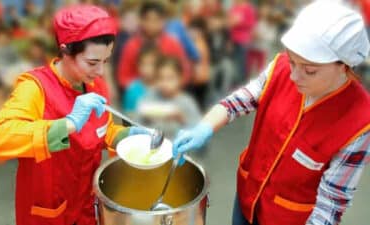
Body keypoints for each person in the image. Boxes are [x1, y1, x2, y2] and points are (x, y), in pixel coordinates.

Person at [172, 1, 370, 225]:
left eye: (310, 71)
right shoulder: (283, 66)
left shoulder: (359, 123)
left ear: (344, 66)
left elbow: (330, 205)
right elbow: (243, 99)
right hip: (248, 198)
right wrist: (205, 126)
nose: (294, 76)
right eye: (292, 61)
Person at [0, 5, 149, 225]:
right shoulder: (35, 88)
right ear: (65, 51)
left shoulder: (95, 85)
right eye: (92, 62)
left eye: (105, 61)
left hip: (86, 209)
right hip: (48, 213)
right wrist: (67, 125)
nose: (100, 72)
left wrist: (121, 137)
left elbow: (100, 130)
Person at [117, 1, 190, 91]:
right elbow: (123, 77)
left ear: (163, 21)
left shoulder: (172, 44)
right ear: (140, 20)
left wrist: (167, 86)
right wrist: (141, 88)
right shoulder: (131, 46)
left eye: (156, 20)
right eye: (147, 19)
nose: (151, 24)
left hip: (169, 94)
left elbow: (185, 72)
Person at [137, 56, 201, 139]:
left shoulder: (186, 102)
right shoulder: (150, 96)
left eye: (170, 78)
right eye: (161, 78)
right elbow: (137, 122)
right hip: (151, 143)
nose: (165, 83)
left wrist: (181, 119)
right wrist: (145, 118)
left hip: (176, 147)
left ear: (180, 78)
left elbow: (198, 134)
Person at [122, 43, 160, 114]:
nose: (147, 69)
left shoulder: (163, 87)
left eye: (151, 64)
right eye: (143, 64)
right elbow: (128, 115)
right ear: (138, 65)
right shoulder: (132, 89)